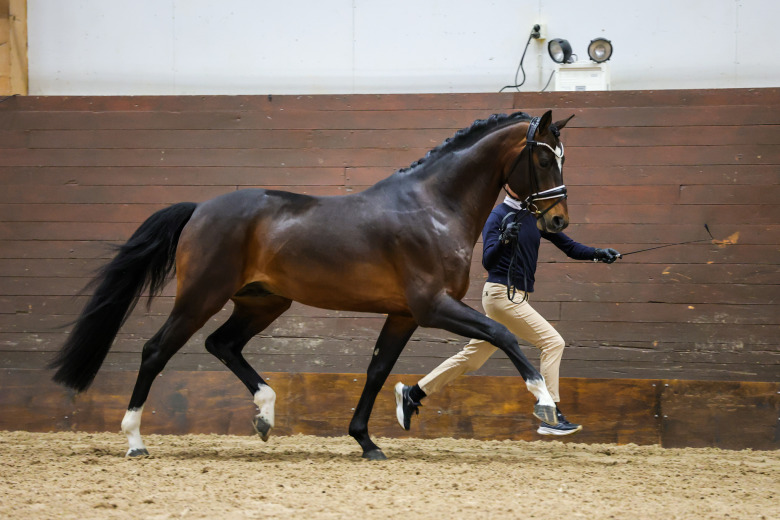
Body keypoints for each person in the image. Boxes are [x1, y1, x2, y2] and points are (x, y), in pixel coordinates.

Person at [394, 188, 620, 436]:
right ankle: (549, 413)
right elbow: (488, 262)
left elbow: (570, 247)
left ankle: (412, 394)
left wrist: (599, 254)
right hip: (503, 296)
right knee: (553, 342)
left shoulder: (535, 215)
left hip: (514, 299)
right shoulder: (498, 215)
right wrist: (504, 240)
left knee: (472, 358)